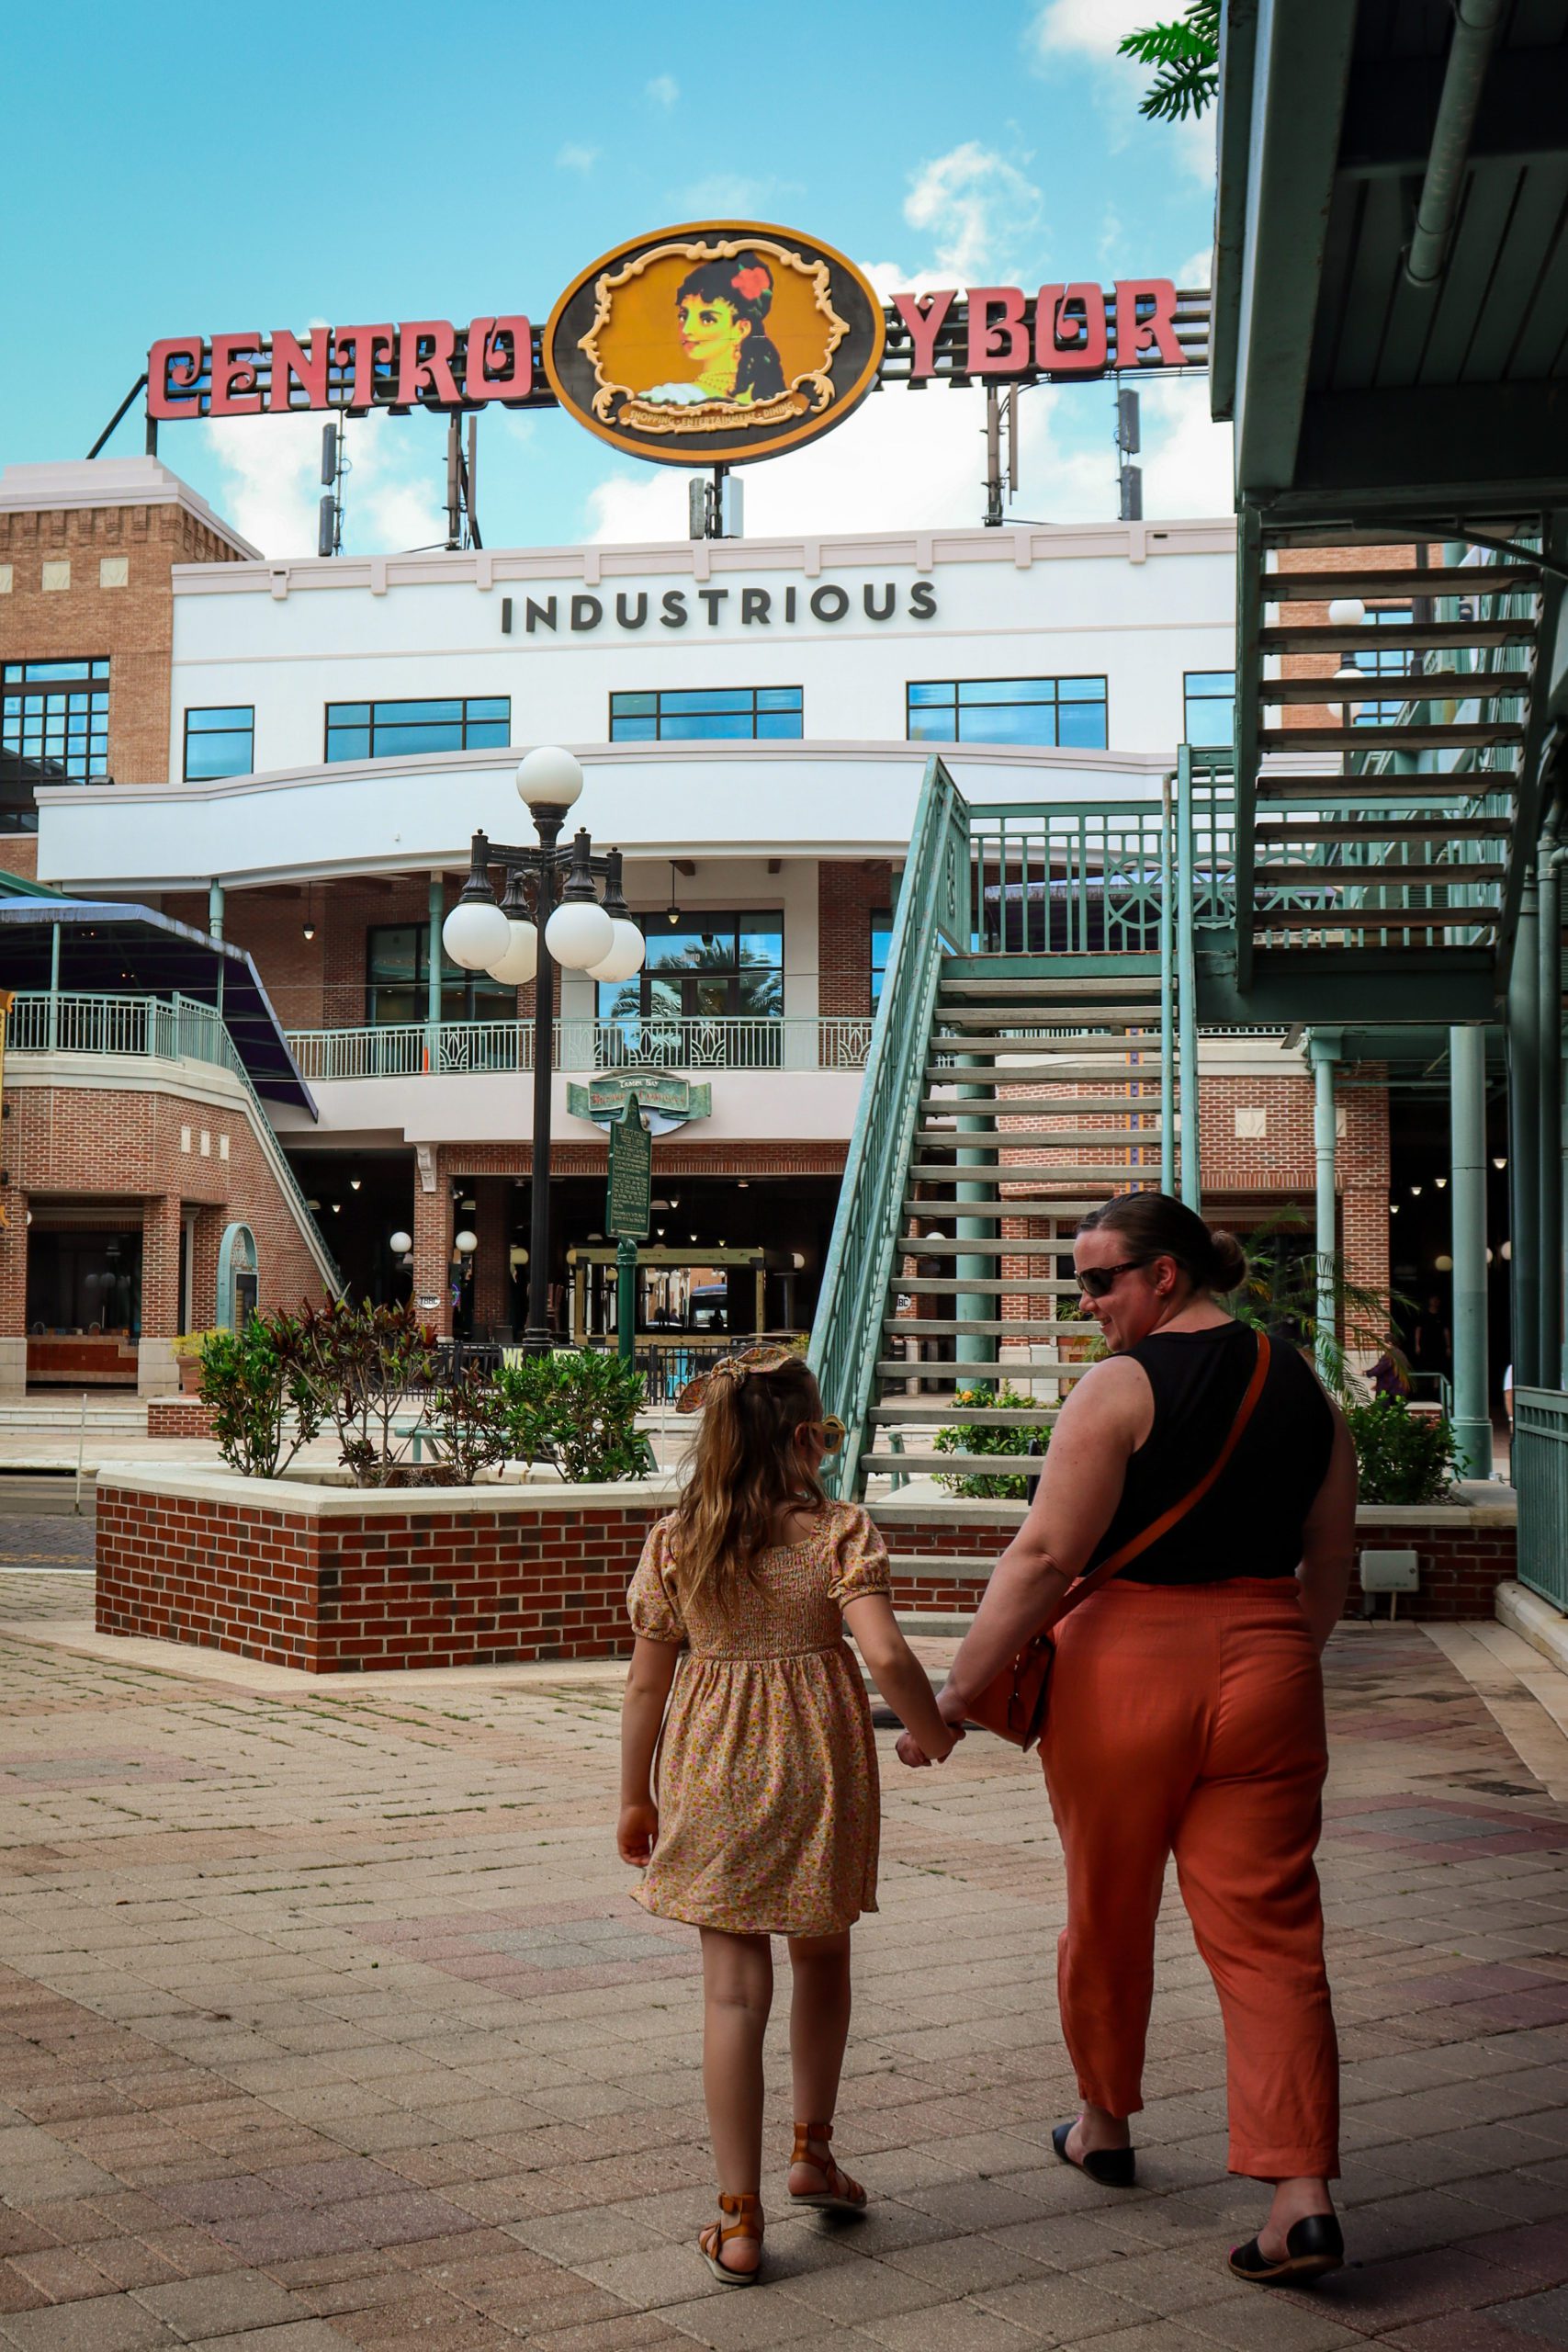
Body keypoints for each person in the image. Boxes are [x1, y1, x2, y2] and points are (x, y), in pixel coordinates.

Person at [901, 1191, 1358, 2290]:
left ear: (1165, 1276)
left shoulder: (1119, 1386)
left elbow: (1046, 1556)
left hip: (1127, 1671)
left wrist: (956, 1697)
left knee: (1107, 1905)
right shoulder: (1308, 1387)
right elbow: (1331, 1571)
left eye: (1101, 1279)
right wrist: (1264, 1650)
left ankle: (1104, 2122)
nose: (1088, 1300)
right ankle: (1301, 2196)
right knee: (1273, 1933)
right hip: (1271, 1658)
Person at [616, 1344, 959, 2287]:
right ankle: (813, 2149)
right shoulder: (840, 1530)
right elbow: (886, 1656)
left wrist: (633, 1792)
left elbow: (647, 1683)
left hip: (713, 1762)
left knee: (732, 1993)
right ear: (808, 1439)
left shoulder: (679, 1539)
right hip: (819, 1761)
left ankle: (738, 2218)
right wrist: (932, 1732)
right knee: (823, 1950)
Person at [639, 252, 787, 408]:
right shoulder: (666, 399)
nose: (687, 328)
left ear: (741, 329)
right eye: (683, 316)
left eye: (707, 319)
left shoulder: (768, 397)